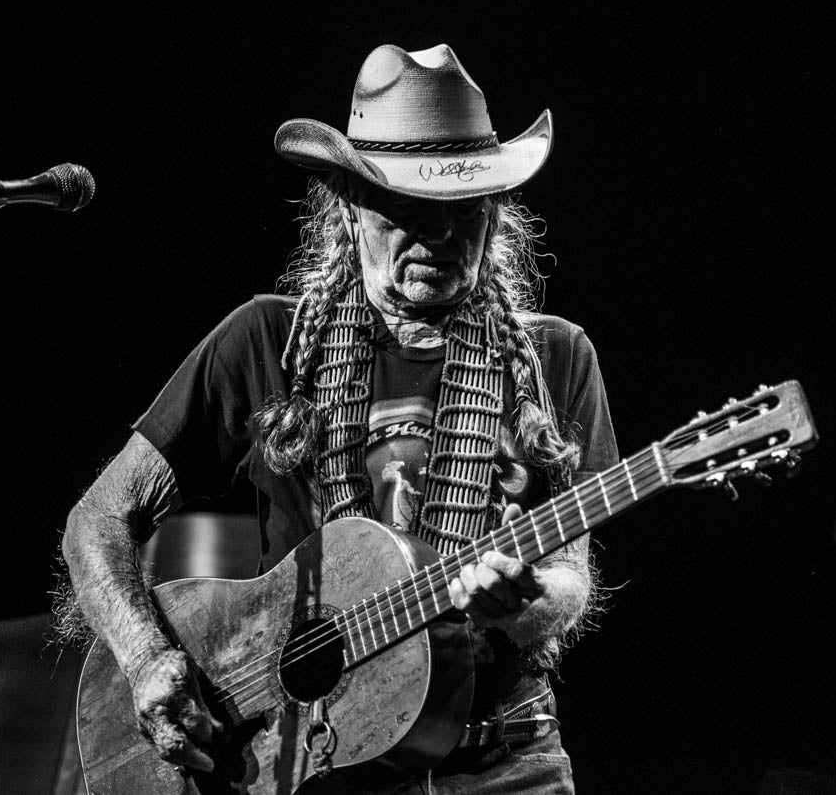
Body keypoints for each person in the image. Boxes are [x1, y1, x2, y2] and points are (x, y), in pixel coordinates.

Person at [60, 43, 618, 793]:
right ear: (347, 208)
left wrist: (523, 605)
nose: (439, 237)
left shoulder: (556, 356)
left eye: (464, 213)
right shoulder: (267, 341)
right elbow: (96, 520)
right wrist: (147, 660)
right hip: (305, 762)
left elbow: (569, 579)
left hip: (500, 758)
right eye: (406, 210)